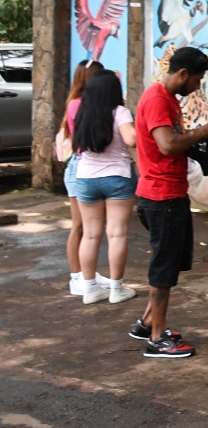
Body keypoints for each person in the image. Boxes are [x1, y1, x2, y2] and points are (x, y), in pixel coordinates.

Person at [132, 47, 208, 358]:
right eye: (197, 79)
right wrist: (200, 133)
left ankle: (146, 323)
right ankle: (157, 339)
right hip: (161, 196)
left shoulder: (167, 100)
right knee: (163, 269)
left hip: (168, 193)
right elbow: (166, 145)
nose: (197, 85)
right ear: (182, 74)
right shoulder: (156, 99)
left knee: (171, 262)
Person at [71, 69, 138, 305]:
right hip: (117, 177)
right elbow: (131, 140)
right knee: (117, 233)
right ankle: (116, 289)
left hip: (86, 178)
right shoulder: (120, 112)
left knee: (90, 235)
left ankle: (89, 289)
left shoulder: (83, 112)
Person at [59, 60, 102, 296]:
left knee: (89, 228)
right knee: (80, 226)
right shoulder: (78, 105)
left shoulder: (81, 103)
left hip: (85, 166)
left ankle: (87, 274)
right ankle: (76, 276)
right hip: (79, 166)